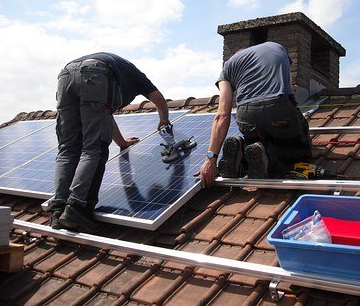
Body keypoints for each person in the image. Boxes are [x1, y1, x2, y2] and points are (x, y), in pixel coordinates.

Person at [48, 52, 170, 232]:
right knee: (94, 148)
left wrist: (121, 142)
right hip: (94, 73)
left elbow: (104, 116)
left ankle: (58, 211)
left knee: (68, 149)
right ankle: (77, 209)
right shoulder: (137, 77)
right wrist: (164, 119)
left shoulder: (120, 72)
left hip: (66, 75)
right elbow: (158, 98)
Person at [196, 41, 311, 188]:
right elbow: (288, 90)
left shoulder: (228, 66)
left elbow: (222, 115)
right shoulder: (277, 47)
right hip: (279, 108)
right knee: (300, 147)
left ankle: (242, 148)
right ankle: (267, 157)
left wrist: (211, 159)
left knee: (256, 137)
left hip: (247, 116)